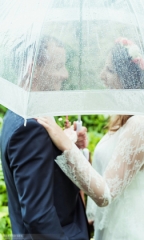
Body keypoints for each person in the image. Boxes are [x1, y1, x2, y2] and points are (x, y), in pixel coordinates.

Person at [36, 38, 144, 240]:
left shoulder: (140, 124)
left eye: (110, 70)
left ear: (127, 78)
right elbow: (112, 176)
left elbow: (105, 194)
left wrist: (65, 144)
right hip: (112, 229)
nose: (102, 76)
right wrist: (81, 151)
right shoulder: (124, 119)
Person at [0, 36, 90, 240]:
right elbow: (39, 217)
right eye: (59, 66)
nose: (65, 74)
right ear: (32, 68)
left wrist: (68, 147)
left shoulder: (17, 115)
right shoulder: (30, 127)